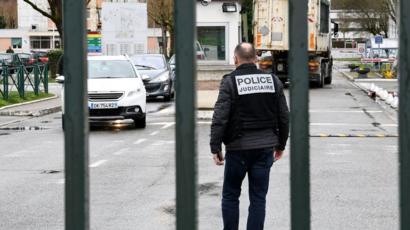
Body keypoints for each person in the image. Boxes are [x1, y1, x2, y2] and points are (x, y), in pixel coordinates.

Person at [210, 42, 289, 230]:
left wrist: (215, 147)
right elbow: (284, 116)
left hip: (237, 150)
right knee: (258, 198)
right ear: (256, 59)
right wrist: (281, 145)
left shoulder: (229, 81)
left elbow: (220, 116)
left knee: (230, 195)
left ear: (235, 59)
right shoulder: (273, 81)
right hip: (264, 149)